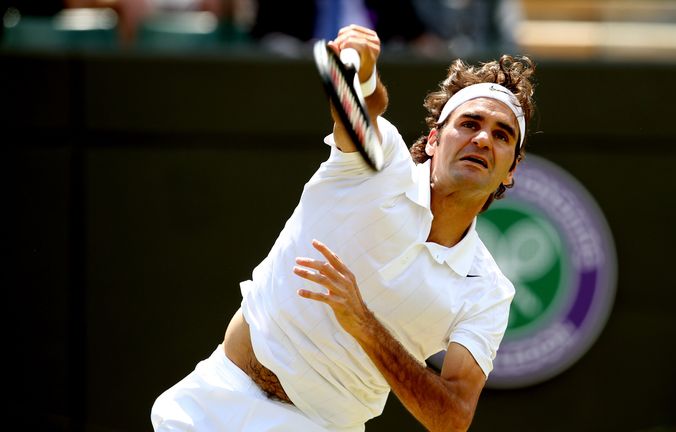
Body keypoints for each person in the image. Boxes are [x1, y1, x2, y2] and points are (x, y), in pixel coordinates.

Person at [151, 24, 536, 431]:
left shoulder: (488, 292)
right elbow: (360, 107)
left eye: (501, 135)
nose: (482, 139)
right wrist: (365, 75)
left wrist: (364, 324)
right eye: (470, 123)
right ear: (434, 140)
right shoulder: (380, 163)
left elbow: (452, 418)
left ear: (511, 170)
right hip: (213, 399)